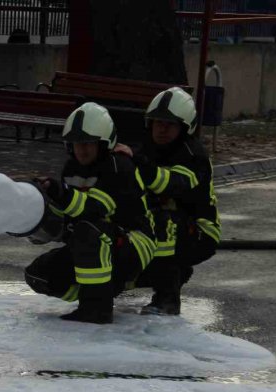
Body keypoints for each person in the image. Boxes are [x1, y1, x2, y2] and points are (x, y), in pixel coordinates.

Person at [24, 102, 157, 324]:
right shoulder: (71, 168)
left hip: (135, 243)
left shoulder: (119, 167)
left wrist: (60, 193)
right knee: (38, 275)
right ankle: (104, 289)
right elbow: (68, 217)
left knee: (89, 231)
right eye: (76, 144)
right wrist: (37, 211)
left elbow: (97, 207)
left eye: (88, 143)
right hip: (96, 242)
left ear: (103, 144)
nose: (82, 149)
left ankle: (97, 308)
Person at [130, 87, 221, 315]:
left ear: (184, 127)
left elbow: (171, 184)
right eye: (158, 122)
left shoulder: (193, 156)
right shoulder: (146, 148)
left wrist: (137, 164)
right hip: (160, 223)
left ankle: (167, 299)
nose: (162, 129)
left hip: (199, 232)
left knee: (163, 220)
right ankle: (171, 273)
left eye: (170, 124)